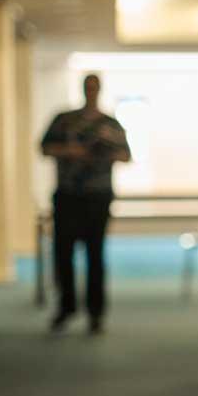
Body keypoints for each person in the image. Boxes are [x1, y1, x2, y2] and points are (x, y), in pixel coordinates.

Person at [40, 73, 132, 334]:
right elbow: (44, 147)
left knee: (95, 255)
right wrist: (71, 151)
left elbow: (126, 155)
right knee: (63, 254)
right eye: (87, 87)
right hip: (69, 195)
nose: (91, 91)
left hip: (97, 196)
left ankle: (96, 312)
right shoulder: (65, 120)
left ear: (100, 90)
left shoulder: (111, 124)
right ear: (83, 89)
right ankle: (66, 306)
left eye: (95, 87)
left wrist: (105, 152)